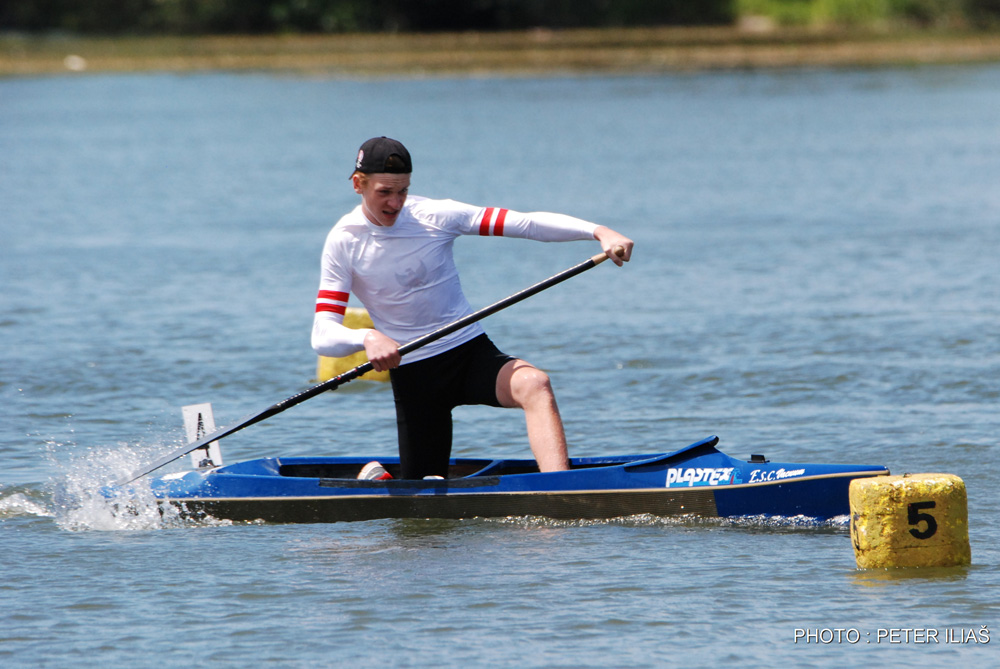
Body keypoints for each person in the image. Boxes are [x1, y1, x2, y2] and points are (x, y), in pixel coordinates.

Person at [312, 137, 633, 480]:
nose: (395, 202)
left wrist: (598, 231)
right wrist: (367, 338)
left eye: (403, 191)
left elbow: (524, 224)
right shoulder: (344, 241)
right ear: (358, 184)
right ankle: (381, 480)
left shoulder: (435, 215)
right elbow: (322, 334)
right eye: (384, 192)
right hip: (414, 371)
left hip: (467, 353)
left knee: (535, 384)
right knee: (422, 502)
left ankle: (560, 491)